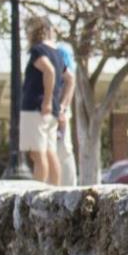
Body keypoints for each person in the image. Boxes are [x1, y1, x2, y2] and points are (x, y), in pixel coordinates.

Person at [19, 15, 60, 184]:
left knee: (38, 153)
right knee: (50, 152)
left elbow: (49, 71)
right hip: (51, 111)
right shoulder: (57, 53)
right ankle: (56, 190)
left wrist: (46, 100)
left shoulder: (38, 51)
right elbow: (66, 76)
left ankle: (38, 190)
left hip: (37, 107)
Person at [53, 44, 77, 185]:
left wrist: (62, 108)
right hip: (54, 112)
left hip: (60, 113)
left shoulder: (60, 52)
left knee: (63, 149)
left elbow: (70, 80)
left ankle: (68, 188)